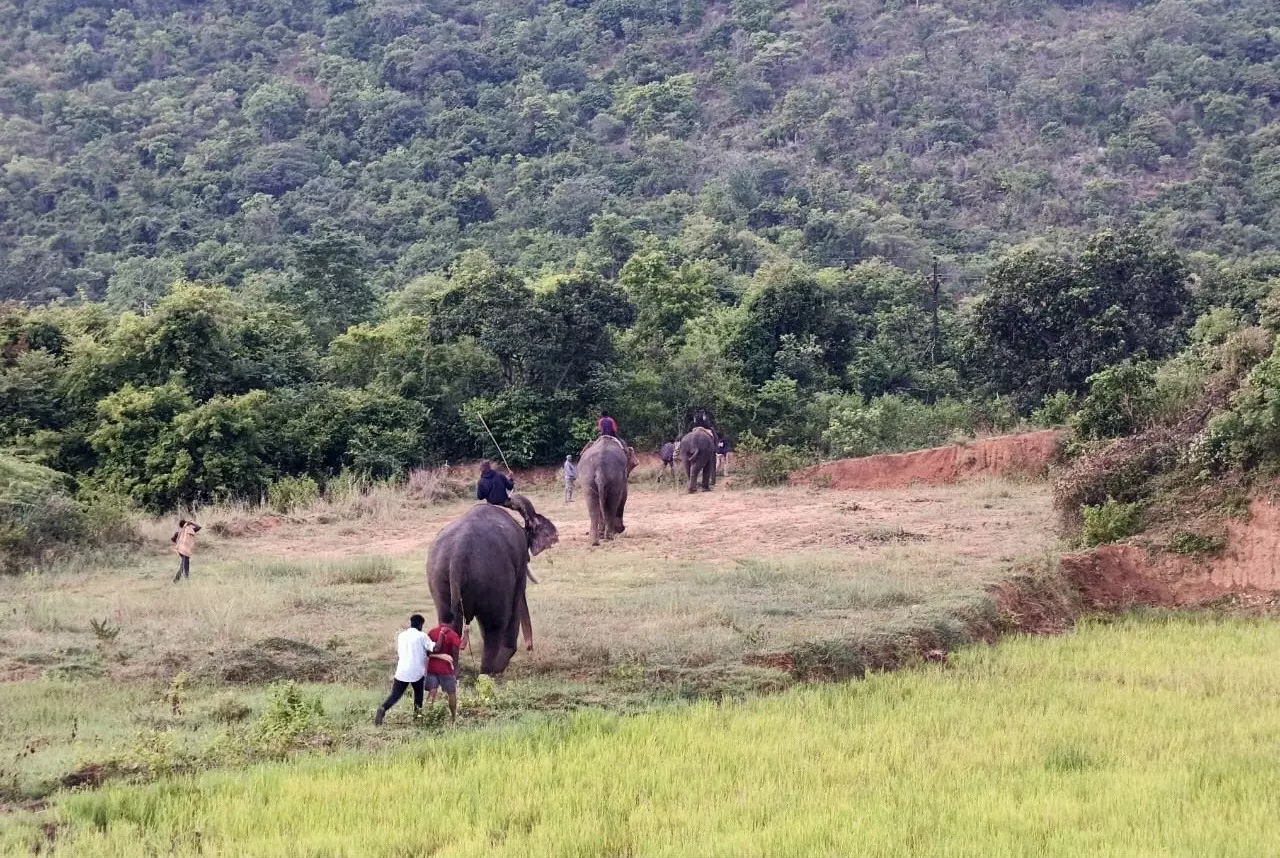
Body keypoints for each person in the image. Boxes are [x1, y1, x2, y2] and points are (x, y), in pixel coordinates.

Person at [374, 614, 437, 726]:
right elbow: (434, 648)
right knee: (418, 696)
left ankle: (383, 708)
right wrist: (441, 635)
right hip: (417, 672)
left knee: (395, 695)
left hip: (402, 670)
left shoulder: (401, 636)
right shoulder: (422, 636)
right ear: (421, 624)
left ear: (410, 623)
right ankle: (417, 719)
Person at [427, 620, 469, 722]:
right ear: (451, 622)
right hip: (446, 670)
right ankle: (453, 718)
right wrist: (466, 633)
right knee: (451, 693)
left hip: (431, 668)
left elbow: (426, 650)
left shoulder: (431, 632)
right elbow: (462, 646)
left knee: (432, 692)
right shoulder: (451, 634)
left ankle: (428, 716)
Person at [170, 518, 201, 583]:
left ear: (180, 526)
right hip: (186, 550)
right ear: (187, 524)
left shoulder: (178, 532)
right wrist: (191, 523)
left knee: (183, 564)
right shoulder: (190, 530)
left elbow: (172, 539)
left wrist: (179, 542)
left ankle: (176, 580)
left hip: (181, 550)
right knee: (186, 564)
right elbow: (199, 527)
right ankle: (186, 579)